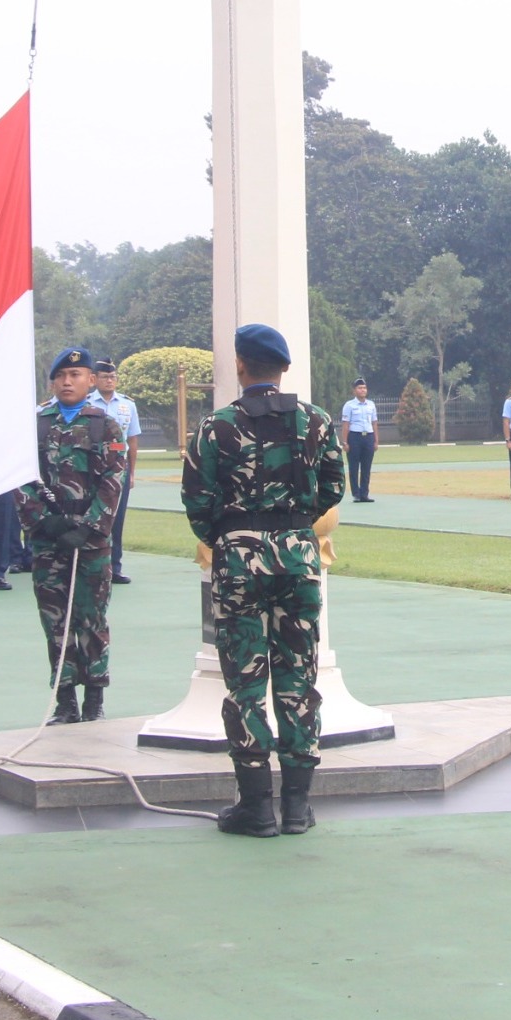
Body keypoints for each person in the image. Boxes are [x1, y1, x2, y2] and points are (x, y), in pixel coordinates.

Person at [182, 322, 346, 837]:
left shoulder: (216, 426)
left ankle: (257, 807)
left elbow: (196, 500)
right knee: (299, 678)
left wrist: (230, 534)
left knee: (246, 683)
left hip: (238, 563)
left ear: (241, 365)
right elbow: (334, 486)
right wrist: (293, 526)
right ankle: (297, 805)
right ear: (284, 367)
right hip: (298, 558)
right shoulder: (315, 422)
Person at [15, 348, 125, 725]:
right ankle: (65, 701)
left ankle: (94, 697)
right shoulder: (36, 424)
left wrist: (89, 527)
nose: (67, 382)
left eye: (76, 375)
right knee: (54, 619)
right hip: (49, 540)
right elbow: (21, 480)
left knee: (91, 617)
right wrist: (44, 523)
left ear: (91, 381)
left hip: (90, 541)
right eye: (60, 376)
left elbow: (113, 481)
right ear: (52, 382)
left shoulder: (103, 425)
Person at [90, 359, 142, 583]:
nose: (110, 381)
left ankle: (115, 566)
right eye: (105, 377)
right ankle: (93, 565)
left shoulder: (127, 404)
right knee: (95, 516)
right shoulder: (88, 402)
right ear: (95, 379)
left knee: (117, 518)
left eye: (113, 377)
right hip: (94, 464)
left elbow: (132, 439)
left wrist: (131, 473)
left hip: (119, 464)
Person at [340, 380, 379, 504]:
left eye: (364, 388)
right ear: (354, 390)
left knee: (366, 467)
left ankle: (364, 494)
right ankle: (356, 494)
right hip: (354, 437)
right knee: (354, 467)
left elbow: (374, 423)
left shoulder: (371, 405)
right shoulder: (349, 405)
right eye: (360, 388)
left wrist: (376, 441)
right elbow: (346, 424)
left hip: (368, 436)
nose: (363, 390)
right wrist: (345, 442)